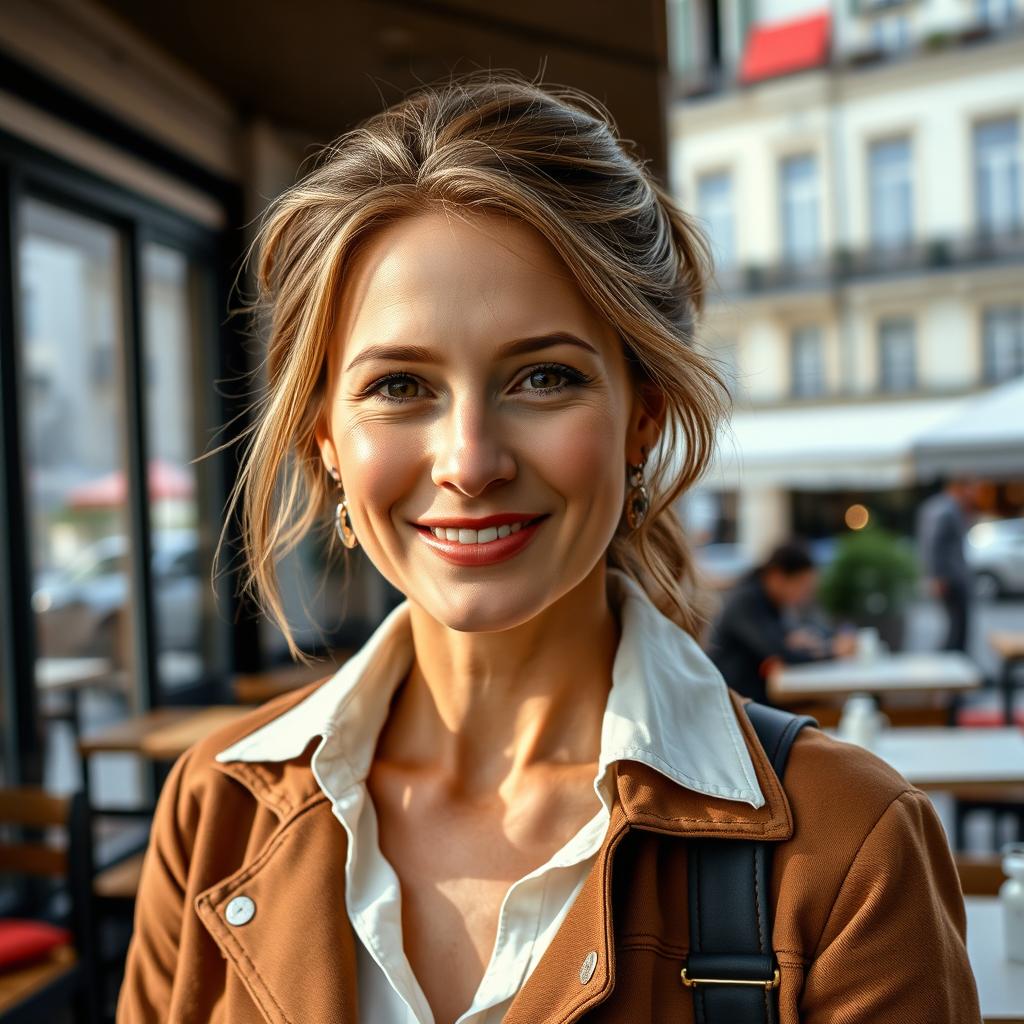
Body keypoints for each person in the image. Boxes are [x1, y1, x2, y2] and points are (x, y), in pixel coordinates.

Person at [116, 70, 981, 1023]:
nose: (470, 461)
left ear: (642, 417)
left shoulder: (850, 842)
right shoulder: (217, 809)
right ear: (325, 436)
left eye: (542, 376)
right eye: (400, 386)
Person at [705, 541, 857, 705]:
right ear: (777, 576)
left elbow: (785, 641)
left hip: (752, 696)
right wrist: (833, 652)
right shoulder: (746, 601)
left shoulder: (767, 600)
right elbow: (780, 653)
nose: (805, 594)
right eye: (802, 586)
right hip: (737, 703)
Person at [915, 476, 980, 653]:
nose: (976, 493)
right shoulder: (947, 510)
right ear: (961, 487)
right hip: (952, 576)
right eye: (973, 488)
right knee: (958, 627)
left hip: (950, 575)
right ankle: (953, 666)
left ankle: (953, 664)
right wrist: (938, 577)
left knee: (955, 626)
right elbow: (935, 544)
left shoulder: (936, 506)